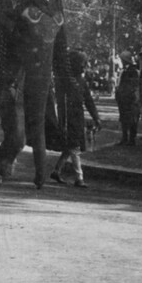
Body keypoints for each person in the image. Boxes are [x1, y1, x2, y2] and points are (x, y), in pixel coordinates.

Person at [51, 49, 101, 188]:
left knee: (70, 147)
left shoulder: (81, 81)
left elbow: (89, 101)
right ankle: (79, 178)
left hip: (77, 117)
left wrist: (96, 117)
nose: (84, 66)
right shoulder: (65, 81)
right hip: (68, 118)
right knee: (74, 147)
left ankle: (56, 170)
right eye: (82, 63)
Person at [115, 50, 141, 145]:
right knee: (124, 118)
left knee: (132, 118)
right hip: (123, 97)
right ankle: (125, 137)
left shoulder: (133, 71)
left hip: (130, 98)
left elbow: (134, 85)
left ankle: (131, 139)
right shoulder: (124, 71)